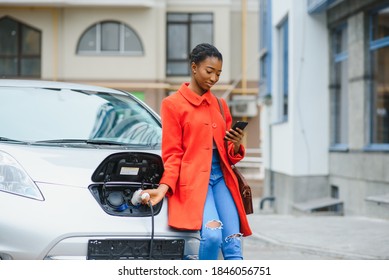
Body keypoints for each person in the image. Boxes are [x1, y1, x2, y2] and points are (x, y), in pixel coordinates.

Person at [142, 43, 252, 260]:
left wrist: (237, 144)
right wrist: (163, 188)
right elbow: (172, 153)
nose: (213, 78)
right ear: (194, 67)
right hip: (194, 181)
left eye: (218, 74)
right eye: (209, 71)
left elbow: (229, 153)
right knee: (212, 236)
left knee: (233, 244)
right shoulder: (173, 104)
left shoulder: (220, 105)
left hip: (221, 178)